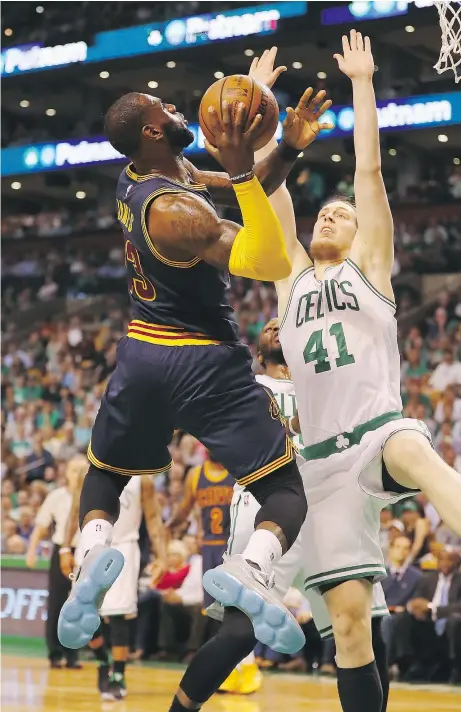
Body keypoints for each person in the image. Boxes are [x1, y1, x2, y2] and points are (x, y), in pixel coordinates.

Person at [58, 46, 334, 668]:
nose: (181, 108)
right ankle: (253, 569)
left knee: (106, 474)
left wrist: (283, 150)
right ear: (153, 129)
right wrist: (239, 170)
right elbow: (268, 261)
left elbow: (249, 192)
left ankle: (90, 559)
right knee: (284, 490)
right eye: (167, 107)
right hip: (205, 358)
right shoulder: (178, 215)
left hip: (143, 354)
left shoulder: (141, 174)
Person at [262, 30, 461, 712]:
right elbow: (270, 198)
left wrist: (361, 84)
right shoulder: (288, 279)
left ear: (359, 235)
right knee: (350, 631)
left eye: (340, 214)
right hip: (320, 464)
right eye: (325, 211)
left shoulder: (369, 269)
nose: (331, 214)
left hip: (377, 428)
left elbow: (369, 175)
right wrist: (259, 110)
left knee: (420, 454)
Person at [203, 318, 389, 708]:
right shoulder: (245, 386)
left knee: (366, 627)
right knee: (238, 631)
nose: (274, 325)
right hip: (266, 500)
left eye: (281, 324)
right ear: (257, 353)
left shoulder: (323, 382)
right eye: (267, 327)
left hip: (327, 502)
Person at [60, 468, 166, 700]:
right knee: (85, 608)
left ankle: (118, 674)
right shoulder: (87, 472)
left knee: (119, 614)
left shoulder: (143, 479)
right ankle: (101, 662)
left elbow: (153, 518)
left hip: (124, 546)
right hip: (90, 544)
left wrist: (162, 556)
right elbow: (74, 512)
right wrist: (65, 547)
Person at [25, 455, 87, 669]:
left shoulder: (92, 497)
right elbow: (41, 526)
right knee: (57, 603)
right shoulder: (57, 496)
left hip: (85, 553)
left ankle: (73, 654)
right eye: (73, 470)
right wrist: (31, 551)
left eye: (82, 469)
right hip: (62, 551)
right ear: (66, 473)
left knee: (79, 604)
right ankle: (54, 652)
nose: (77, 474)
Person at [167, 452, 234, 612]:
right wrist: (169, 525)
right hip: (208, 546)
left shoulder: (236, 472)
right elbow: (184, 509)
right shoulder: (195, 474)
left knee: (230, 603)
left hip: (232, 545)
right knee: (210, 606)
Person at [392, 548, 461, 683]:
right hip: (427, 622)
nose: (445, 563)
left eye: (450, 560)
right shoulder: (427, 579)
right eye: (441, 559)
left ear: (457, 562)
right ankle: (406, 662)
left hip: (449, 622)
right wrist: (414, 607)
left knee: (454, 622)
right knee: (403, 618)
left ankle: (455, 668)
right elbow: (416, 599)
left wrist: (432, 608)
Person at [381, 535, 422, 668]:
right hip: (380, 611)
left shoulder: (417, 576)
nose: (401, 551)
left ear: (409, 551)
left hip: (402, 615)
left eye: (405, 548)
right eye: (398, 547)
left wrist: (403, 608)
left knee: (388, 621)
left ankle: (385, 665)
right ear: (390, 549)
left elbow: (416, 599)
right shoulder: (380, 574)